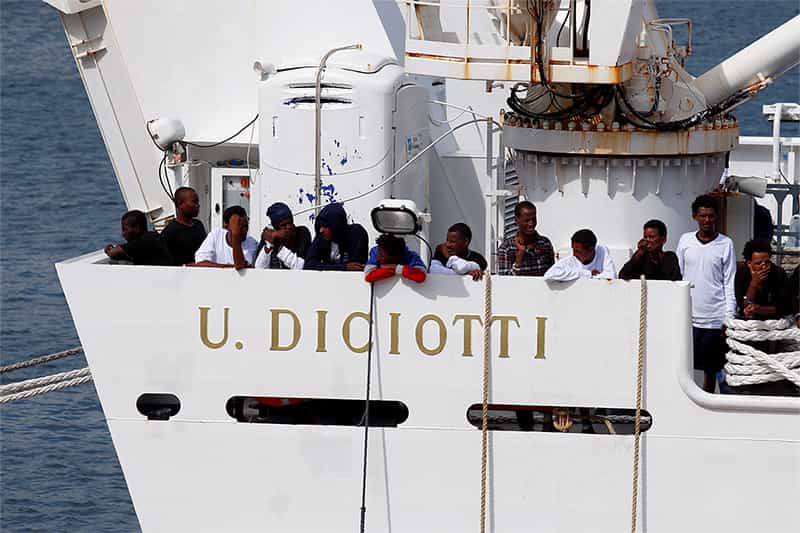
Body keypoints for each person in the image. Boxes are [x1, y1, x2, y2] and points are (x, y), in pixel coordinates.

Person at [676, 194, 736, 393]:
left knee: (711, 369)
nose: (707, 220)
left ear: (716, 217)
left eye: (711, 216)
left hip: (714, 318)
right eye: (703, 216)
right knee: (684, 365)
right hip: (689, 317)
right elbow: (678, 277)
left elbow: (729, 281)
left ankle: (707, 405)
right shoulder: (685, 240)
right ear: (695, 217)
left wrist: (729, 316)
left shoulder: (726, 244)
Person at [734, 239, 790, 320]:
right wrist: (753, 284)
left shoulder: (778, 273)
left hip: (774, 322)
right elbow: (743, 304)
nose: (764, 267)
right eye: (758, 263)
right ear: (749, 263)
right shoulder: (742, 273)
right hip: (748, 323)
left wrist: (759, 309)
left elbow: (783, 307)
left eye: (767, 262)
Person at [303, 203, 368, 271]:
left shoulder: (356, 233)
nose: (321, 230)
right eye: (320, 226)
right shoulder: (322, 236)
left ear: (336, 225)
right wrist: (343, 267)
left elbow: (356, 268)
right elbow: (308, 265)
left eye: (325, 226)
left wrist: (324, 266)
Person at [497, 201, 555, 276]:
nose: (531, 224)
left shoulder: (545, 244)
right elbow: (504, 281)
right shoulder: (506, 248)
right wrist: (518, 261)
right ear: (516, 220)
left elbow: (553, 274)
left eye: (534, 220)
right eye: (527, 220)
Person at [193, 206, 258, 269]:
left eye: (246, 226)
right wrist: (231, 267)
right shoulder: (216, 235)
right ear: (226, 227)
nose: (245, 231)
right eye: (240, 228)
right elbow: (200, 263)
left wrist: (235, 235)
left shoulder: (252, 243)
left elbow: (239, 265)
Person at [254, 202, 311, 270]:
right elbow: (259, 268)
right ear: (276, 228)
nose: (289, 227)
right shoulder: (269, 236)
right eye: (284, 225)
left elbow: (301, 266)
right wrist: (269, 245)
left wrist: (278, 246)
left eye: (290, 223)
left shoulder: (302, 233)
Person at [104, 210, 173, 266]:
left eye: (125, 229)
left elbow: (112, 253)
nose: (123, 233)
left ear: (137, 228)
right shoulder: (153, 236)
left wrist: (108, 249)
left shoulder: (141, 242)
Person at [543, 229, 616, 281]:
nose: (574, 254)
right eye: (573, 250)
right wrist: (588, 274)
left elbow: (612, 276)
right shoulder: (570, 260)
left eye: (578, 251)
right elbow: (549, 275)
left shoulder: (602, 250)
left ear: (591, 249)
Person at [161, 187, 207, 266]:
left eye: (198, 202)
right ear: (180, 204)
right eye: (194, 202)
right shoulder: (170, 231)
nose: (198, 205)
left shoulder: (198, 225)